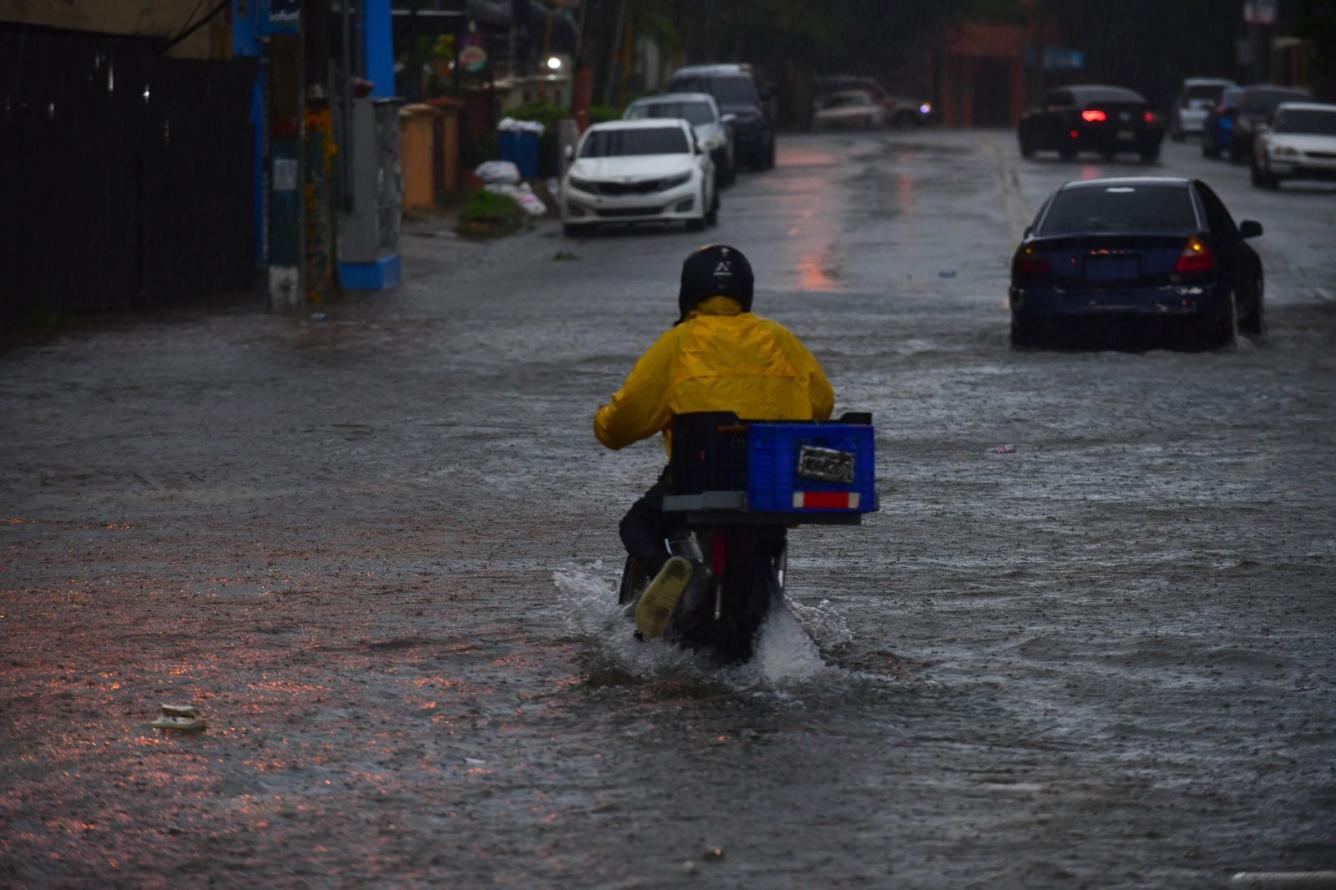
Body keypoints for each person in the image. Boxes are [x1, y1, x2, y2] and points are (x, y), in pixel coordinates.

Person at [594, 244, 835, 636]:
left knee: (636, 525)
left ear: (689, 291)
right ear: (745, 290)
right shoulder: (779, 338)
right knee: (769, 534)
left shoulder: (679, 342)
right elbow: (823, 403)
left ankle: (672, 573)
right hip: (772, 479)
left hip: (699, 477)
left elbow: (626, 420)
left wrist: (604, 424)